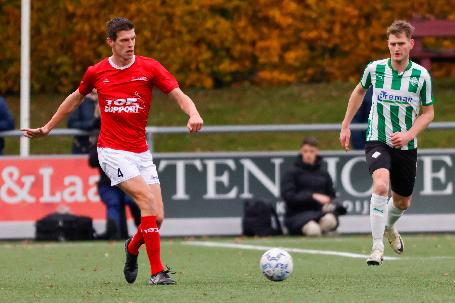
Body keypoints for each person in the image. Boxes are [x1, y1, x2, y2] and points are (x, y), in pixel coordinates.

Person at [22, 17, 204, 285]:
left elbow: (178, 94)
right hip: (112, 151)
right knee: (145, 201)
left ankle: (131, 248)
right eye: (124, 41)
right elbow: (75, 99)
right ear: (111, 42)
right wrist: (48, 127)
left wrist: (194, 113)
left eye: (133, 39)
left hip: (140, 152)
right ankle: (156, 272)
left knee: (159, 217)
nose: (130, 45)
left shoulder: (149, 67)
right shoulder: (96, 72)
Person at [339, 20, 434, 266]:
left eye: (401, 43)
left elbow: (428, 112)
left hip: (406, 145)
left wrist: (409, 135)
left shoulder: (421, 76)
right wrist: (346, 124)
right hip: (377, 139)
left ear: (410, 44)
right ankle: (377, 247)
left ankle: (390, 225)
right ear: (388, 44)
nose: (396, 48)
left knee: (403, 201)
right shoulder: (375, 69)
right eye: (392, 43)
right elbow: (359, 91)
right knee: (380, 185)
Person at [281, 137, 345, 236]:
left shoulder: (324, 173)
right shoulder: (291, 173)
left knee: (331, 220)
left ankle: (321, 231)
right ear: (301, 152)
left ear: (317, 152)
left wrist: (331, 204)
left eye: (311, 151)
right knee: (313, 230)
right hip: (297, 215)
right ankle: (319, 232)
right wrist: (312, 196)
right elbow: (289, 197)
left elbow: (331, 195)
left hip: (319, 214)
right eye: (305, 151)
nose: (308, 155)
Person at [89, 137, 141, 240]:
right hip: (108, 184)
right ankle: (113, 232)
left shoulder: (128, 136)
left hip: (129, 181)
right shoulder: (102, 139)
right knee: (113, 202)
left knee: (132, 200)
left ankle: (144, 229)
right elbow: (92, 161)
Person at [67, 90, 99, 154]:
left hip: (104, 149)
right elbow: (71, 123)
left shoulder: (110, 102)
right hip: (82, 147)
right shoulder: (81, 101)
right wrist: (90, 124)